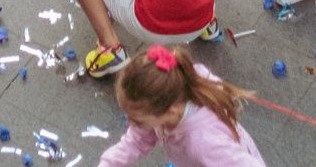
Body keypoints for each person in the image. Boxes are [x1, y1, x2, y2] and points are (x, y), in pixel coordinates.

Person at [97, 45, 266, 167]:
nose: (131, 123)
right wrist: (108, 163)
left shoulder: (204, 143)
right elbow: (138, 139)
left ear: (170, 110)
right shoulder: (175, 88)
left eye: (138, 120)